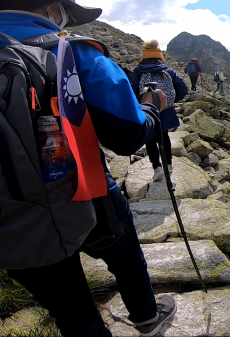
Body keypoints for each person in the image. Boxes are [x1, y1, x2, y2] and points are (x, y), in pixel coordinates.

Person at [0, 1, 177, 336]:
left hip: (8, 217)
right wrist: (152, 109)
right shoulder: (72, 52)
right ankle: (147, 319)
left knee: (69, 307)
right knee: (125, 254)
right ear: (54, 9)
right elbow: (127, 135)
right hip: (82, 191)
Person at [131, 40, 188, 181]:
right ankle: (168, 165)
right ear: (159, 55)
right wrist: (168, 102)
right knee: (165, 137)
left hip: (146, 111)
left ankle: (157, 168)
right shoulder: (168, 71)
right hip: (165, 112)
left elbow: (132, 91)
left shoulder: (138, 71)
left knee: (149, 138)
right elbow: (183, 89)